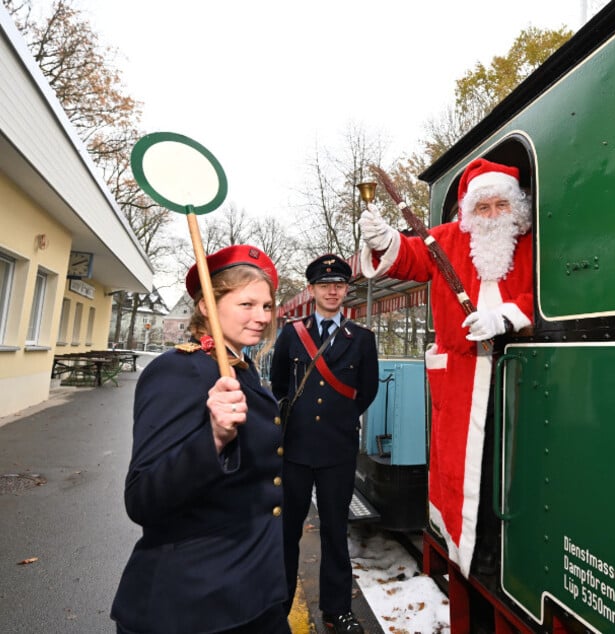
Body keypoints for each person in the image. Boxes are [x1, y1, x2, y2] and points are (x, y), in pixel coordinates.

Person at [358, 157, 534, 577]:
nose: (492, 216)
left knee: (502, 472)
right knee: (460, 470)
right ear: (469, 212)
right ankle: (470, 552)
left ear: (517, 208)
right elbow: (411, 258)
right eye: (483, 207)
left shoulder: (531, 243)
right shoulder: (446, 240)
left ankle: (497, 549)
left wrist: (507, 317)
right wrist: (385, 239)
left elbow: (543, 295)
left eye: (501, 206)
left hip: (514, 380)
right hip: (460, 377)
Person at [111, 245, 288, 634]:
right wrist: (214, 438)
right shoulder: (177, 371)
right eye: (247, 304)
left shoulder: (241, 370)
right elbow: (142, 497)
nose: (261, 317)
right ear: (207, 305)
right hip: (194, 606)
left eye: (267, 305)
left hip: (252, 595)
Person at [270, 254, 379, 634]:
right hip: (295, 451)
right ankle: (278, 605)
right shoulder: (291, 334)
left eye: (339, 284)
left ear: (346, 291)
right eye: (324, 285)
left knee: (335, 531)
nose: (332, 290)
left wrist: (340, 419)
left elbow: (367, 390)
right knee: (286, 533)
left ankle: (337, 611)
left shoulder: (362, 339)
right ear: (312, 290)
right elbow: (279, 382)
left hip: (337, 451)